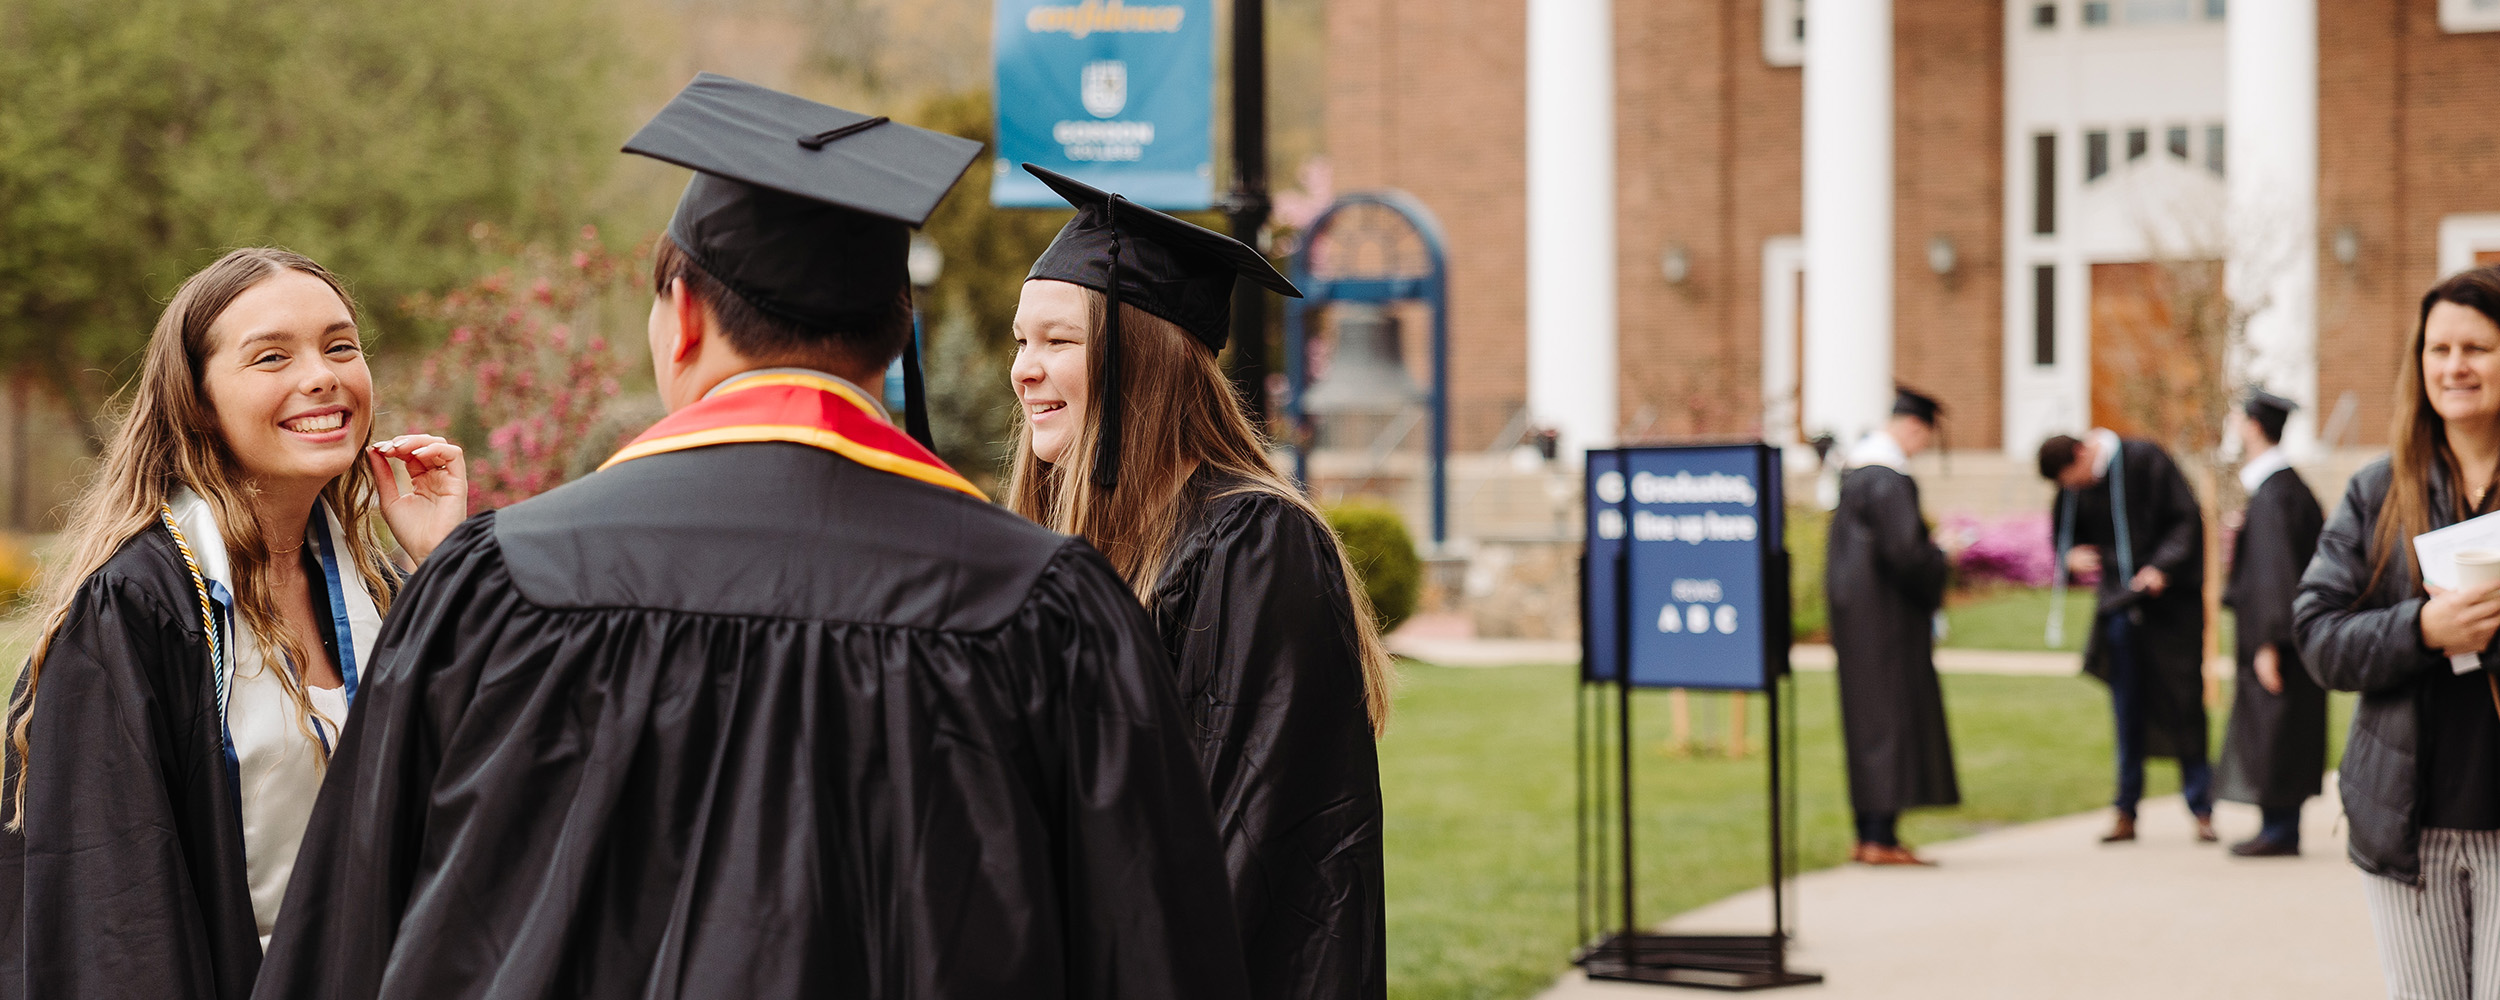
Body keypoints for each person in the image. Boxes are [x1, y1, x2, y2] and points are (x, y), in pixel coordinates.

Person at [255, 77, 1250, 999]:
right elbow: (1149, 947)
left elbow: (353, 928)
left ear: (681, 319)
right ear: (891, 332)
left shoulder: (501, 580)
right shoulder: (1044, 602)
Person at [0, 247, 466, 1000]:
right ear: (198, 402)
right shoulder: (136, 610)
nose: (321, 374)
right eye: (271, 356)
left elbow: (492, 785)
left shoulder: (382, 589)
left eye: (339, 346)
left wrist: (446, 565)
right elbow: (115, 915)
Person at [1007, 163, 1391, 1000]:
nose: (1024, 371)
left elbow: (1247, 853)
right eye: (1020, 341)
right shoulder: (1077, 552)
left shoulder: (1254, 545)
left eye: (1058, 341)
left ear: (1138, 359)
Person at [2297, 265, 2500, 995]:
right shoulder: (2378, 491)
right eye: (2438, 350)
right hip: (2408, 829)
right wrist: (2422, 628)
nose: (2455, 367)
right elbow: (2318, 637)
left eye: (2476, 347)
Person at [2039, 426, 2214, 844]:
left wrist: (2162, 567)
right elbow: (2065, 535)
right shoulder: (2075, 485)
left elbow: (2186, 519)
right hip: (2119, 605)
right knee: (2126, 709)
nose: (2076, 489)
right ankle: (2126, 809)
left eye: (2074, 479)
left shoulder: (2145, 459)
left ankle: (2202, 807)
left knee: (2184, 703)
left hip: (2170, 609)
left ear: (2082, 454)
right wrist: (2070, 556)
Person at [1825, 387, 1959, 866]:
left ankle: (1868, 834)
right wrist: (1941, 554)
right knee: (1890, 724)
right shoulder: (1887, 480)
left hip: (1858, 622)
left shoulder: (1855, 474)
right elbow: (1905, 554)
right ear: (1912, 427)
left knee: (1867, 723)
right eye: (1923, 438)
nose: (1920, 448)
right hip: (1888, 623)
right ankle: (1881, 837)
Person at [2214, 389, 2326, 858]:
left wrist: (2269, 643)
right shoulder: (2282, 489)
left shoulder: (2276, 496)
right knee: (2279, 724)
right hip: (2285, 635)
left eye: (2240, 419)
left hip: (2278, 638)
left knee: (2277, 724)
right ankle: (2280, 825)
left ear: (2255, 426)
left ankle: (2279, 829)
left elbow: (2277, 574)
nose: (2237, 427)